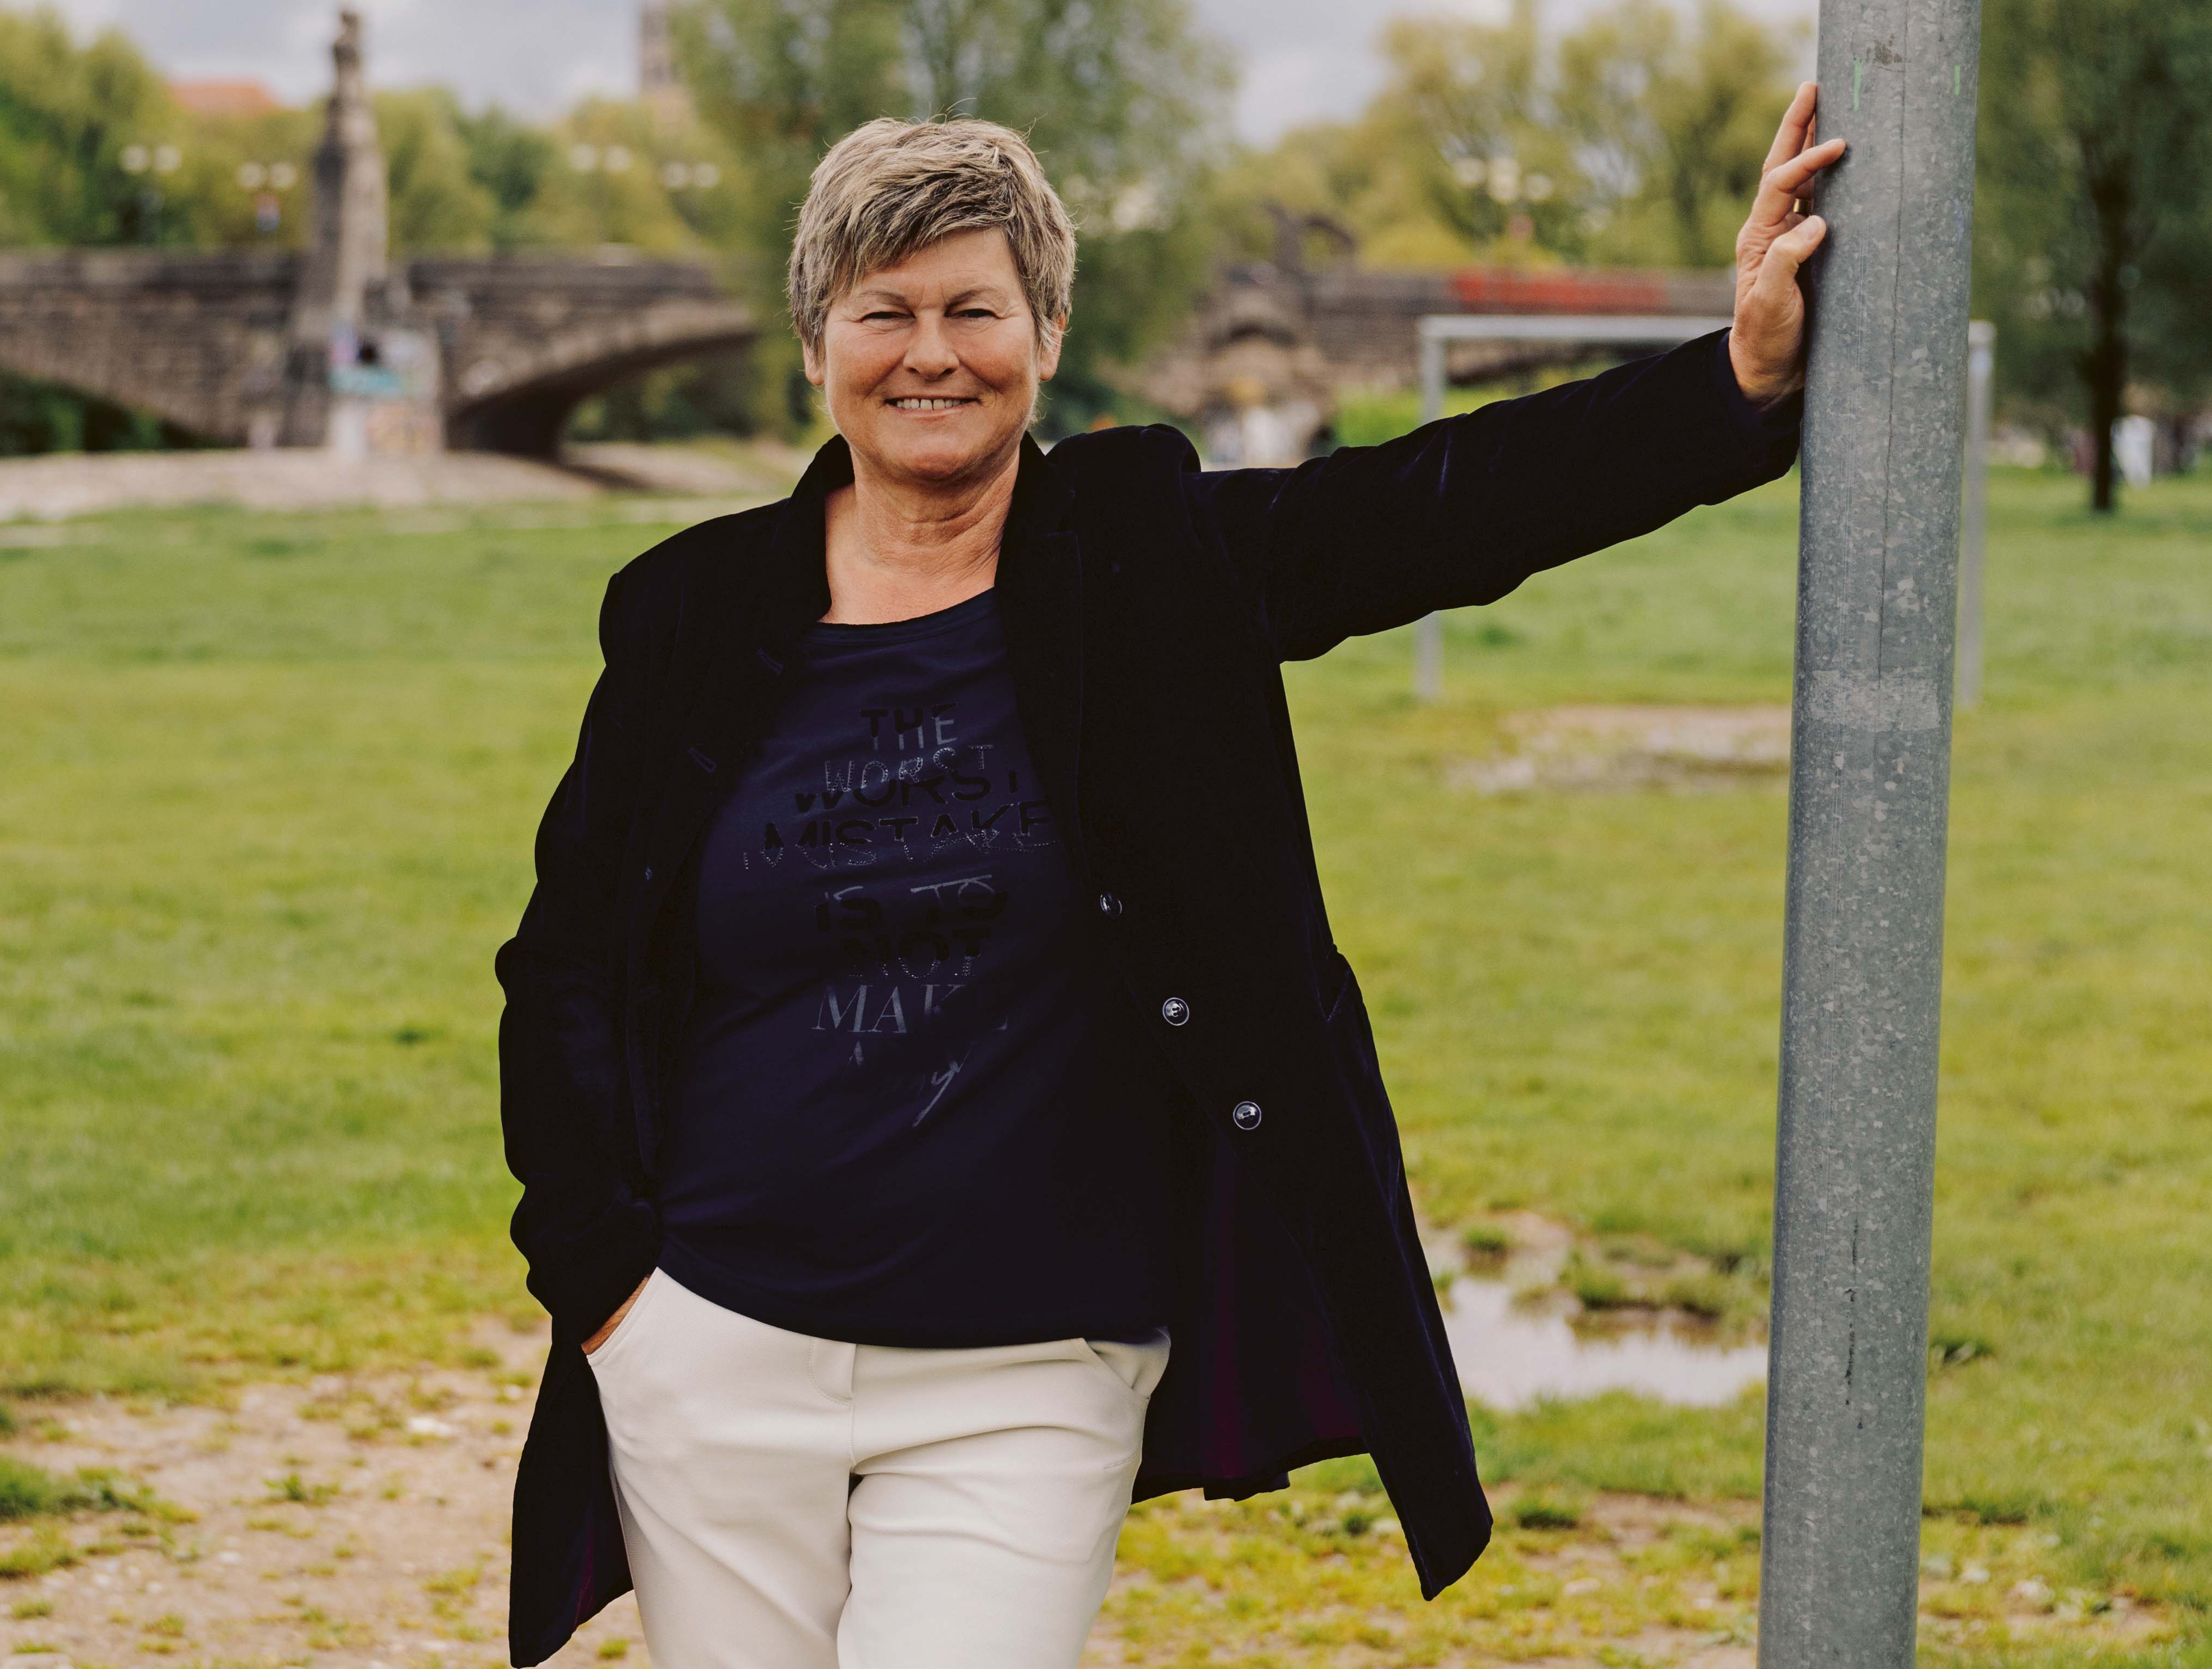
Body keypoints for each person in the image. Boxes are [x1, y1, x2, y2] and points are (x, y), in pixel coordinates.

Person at [497, 86, 1844, 1669]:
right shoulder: (688, 610)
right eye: (885, 311)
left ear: (1047, 333)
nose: (932, 351)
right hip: (711, 1353)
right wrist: (611, 1295)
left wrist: (1736, 378)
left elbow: (1436, 508)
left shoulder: (1146, 562)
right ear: (817, 346)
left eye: (975, 307)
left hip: (1028, 1366)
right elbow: (566, 966)